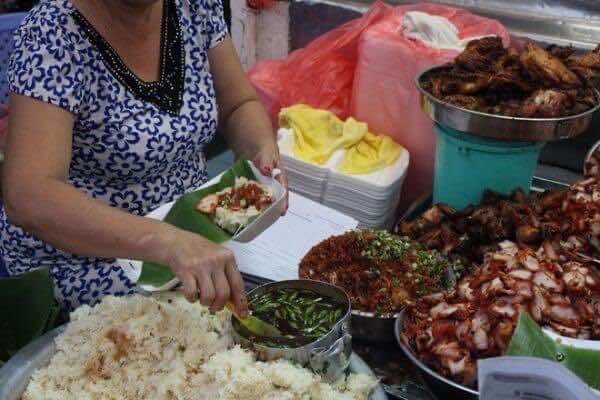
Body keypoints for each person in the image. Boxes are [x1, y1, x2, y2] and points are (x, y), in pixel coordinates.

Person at [0, 0, 287, 314]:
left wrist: (261, 150)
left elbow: (239, 104)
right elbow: (29, 195)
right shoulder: (53, 32)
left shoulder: (195, 7)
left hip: (193, 237)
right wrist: (167, 243)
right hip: (88, 262)